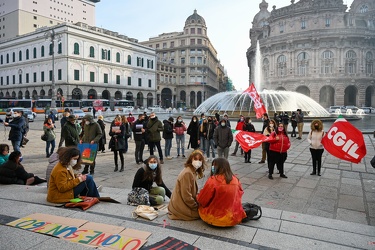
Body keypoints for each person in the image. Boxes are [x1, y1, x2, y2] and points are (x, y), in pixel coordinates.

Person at [197, 158, 246, 227]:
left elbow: (202, 200)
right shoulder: (236, 180)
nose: (213, 168)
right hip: (233, 218)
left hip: (214, 219)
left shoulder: (212, 180)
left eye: (214, 166)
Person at [168, 150, 206, 221]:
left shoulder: (192, 170)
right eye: (195, 159)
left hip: (184, 202)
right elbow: (186, 196)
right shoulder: (187, 173)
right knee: (204, 214)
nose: (198, 161)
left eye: (200, 160)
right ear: (191, 159)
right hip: (180, 205)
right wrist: (196, 206)